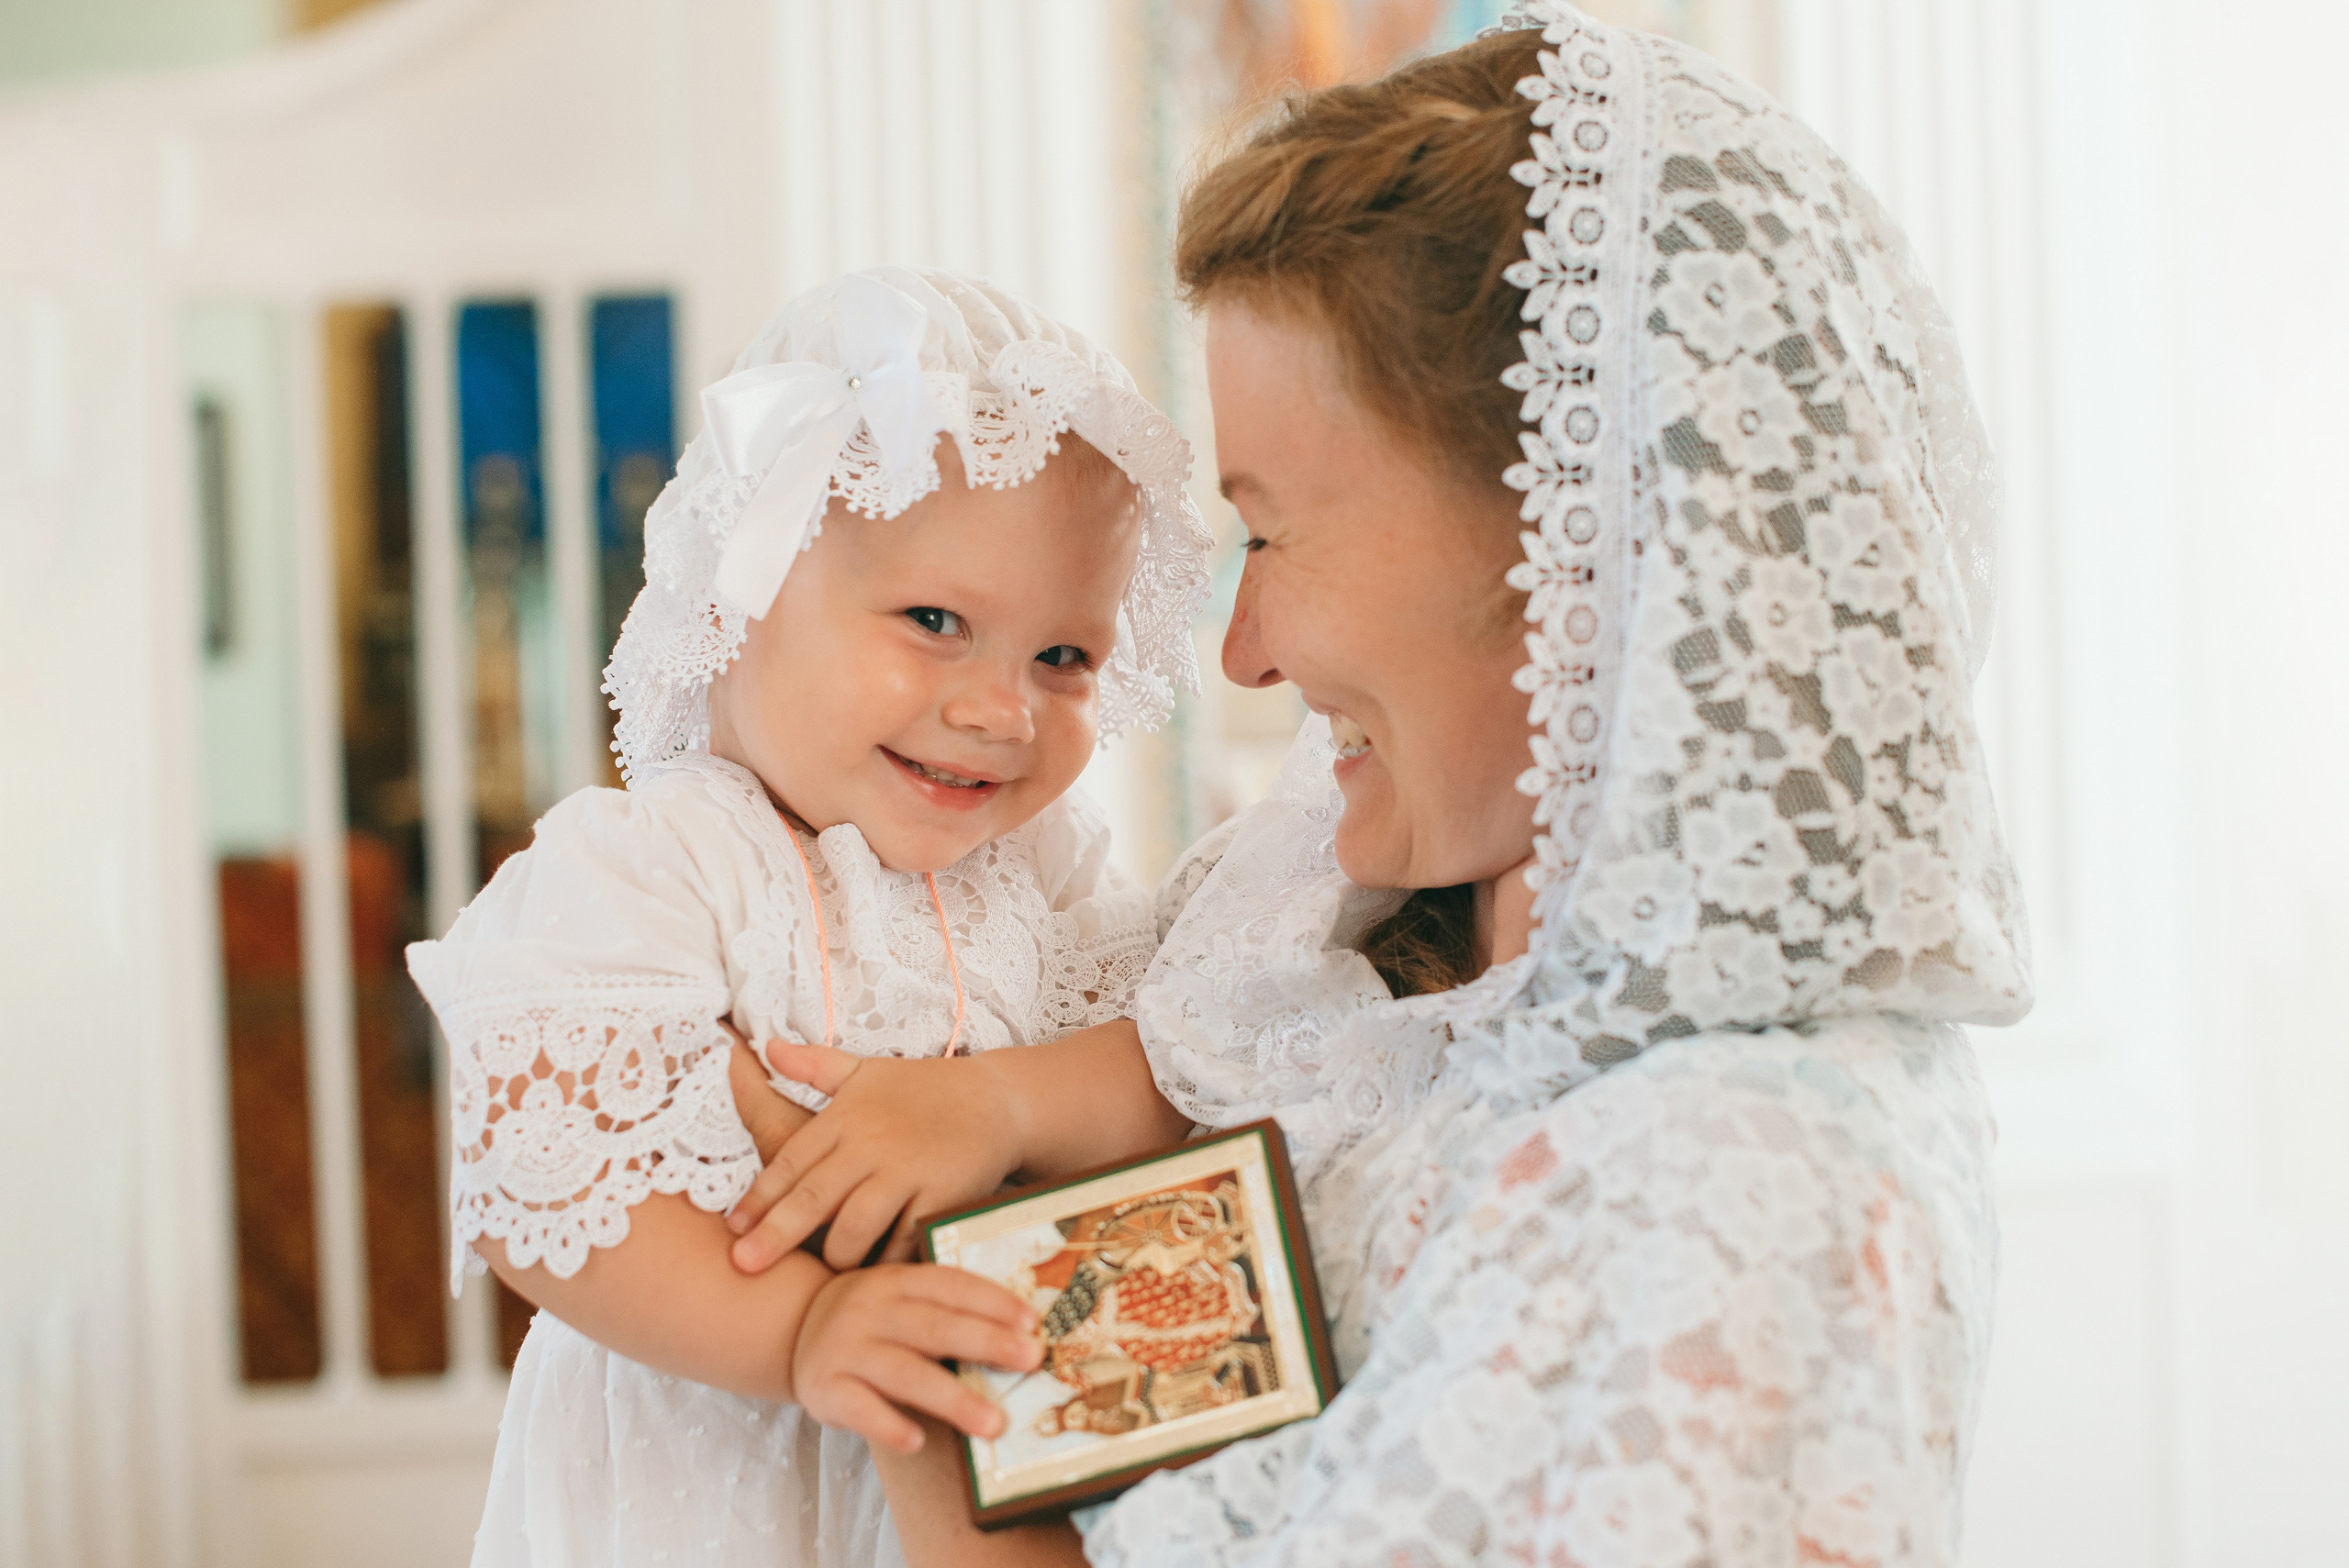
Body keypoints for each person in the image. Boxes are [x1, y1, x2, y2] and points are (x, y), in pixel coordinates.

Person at [746, 6, 2033, 1562]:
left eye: (1274, 533)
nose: (1242, 651)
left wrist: (932, 1428)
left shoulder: (1744, 1187)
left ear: (1575, 549)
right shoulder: (1348, 967)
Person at [404, 266, 1216, 1567]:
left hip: (963, 1464)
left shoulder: (1045, 879)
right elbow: (547, 1177)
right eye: (936, 620)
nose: (1003, 708)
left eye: (1064, 656)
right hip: (698, 1464)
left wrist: (1019, 1111)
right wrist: (797, 1335)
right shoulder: (659, 863)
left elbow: (1159, 1078)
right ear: (744, 589)